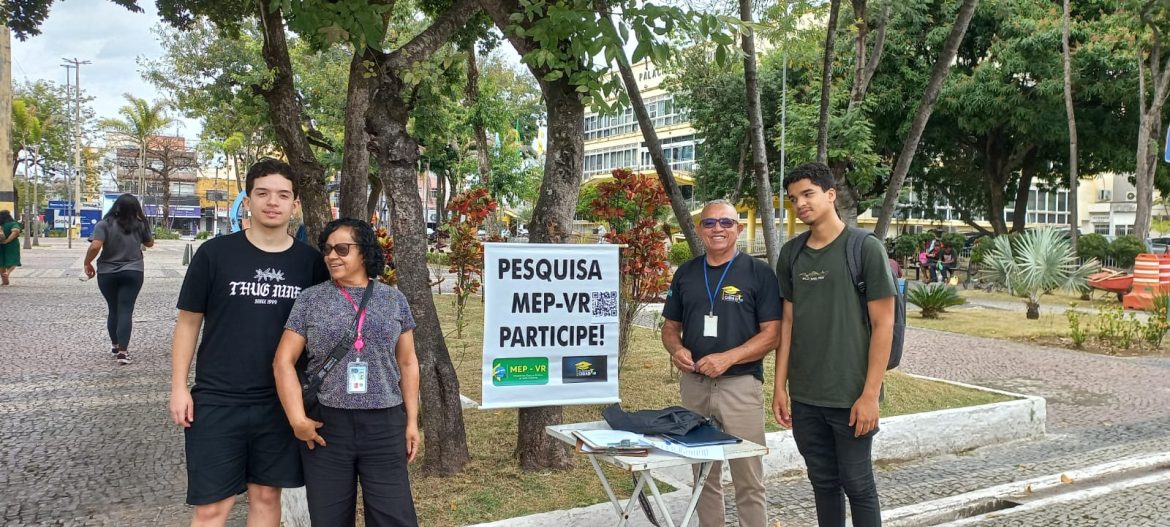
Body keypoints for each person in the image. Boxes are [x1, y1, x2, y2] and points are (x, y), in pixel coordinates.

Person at [169, 158, 330, 526]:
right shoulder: (214, 254)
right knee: (212, 507)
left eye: (283, 195)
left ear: (295, 204)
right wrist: (179, 388)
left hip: (280, 401)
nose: (272, 202)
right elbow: (188, 323)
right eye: (263, 193)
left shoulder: (311, 264)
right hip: (218, 398)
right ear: (248, 200)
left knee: (266, 496)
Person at [274, 217, 421, 526]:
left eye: (342, 248)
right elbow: (283, 361)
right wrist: (297, 420)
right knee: (329, 519)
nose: (331, 256)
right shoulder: (311, 300)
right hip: (328, 427)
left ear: (365, 252)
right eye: (327, 249)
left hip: (385, 423)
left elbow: (408, 362)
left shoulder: (394, 300)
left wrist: (411, 422)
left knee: (394, 518)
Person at [773, 162, 896, 527]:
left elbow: (883, 324)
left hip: (851, 395)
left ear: (830, 194)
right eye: (794, 199)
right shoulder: (791, 254)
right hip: (806, 397)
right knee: (823, 484)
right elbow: (788, 323)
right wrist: (780, 387)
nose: (800, 204)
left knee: (858, 484)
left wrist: (870, 395)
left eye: (808, 194)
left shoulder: (864, 248)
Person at [661, 199, 781, 527]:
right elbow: (670, 328)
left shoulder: (759, 273)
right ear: (700, 229)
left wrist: (728, 358)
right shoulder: (685, 273)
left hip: (741, 386)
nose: (718, 229)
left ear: (738, 229)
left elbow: (772, 334)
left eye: (726, 223)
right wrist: (676, 350)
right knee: (703, 476)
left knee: (748, 477)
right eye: (710, 223)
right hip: (695, 386)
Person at [83, 194, 154, 364]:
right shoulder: (139, 224)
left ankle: (115, 345)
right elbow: (150, 243)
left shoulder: (104, 224)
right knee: (126, 310)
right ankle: (123, 353)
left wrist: (87, 263)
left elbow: (95, 245)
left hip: (107, 272)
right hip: (133, 271)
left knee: (113, 309)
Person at [0, 210, 21, 286]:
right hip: (12, 245)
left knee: (1, 262)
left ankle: (5, 282)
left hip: (0, 245)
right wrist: (8, 240)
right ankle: (7, 273)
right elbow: (16, 231)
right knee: (15, 260)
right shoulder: (12, 223)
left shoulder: (1, 225)